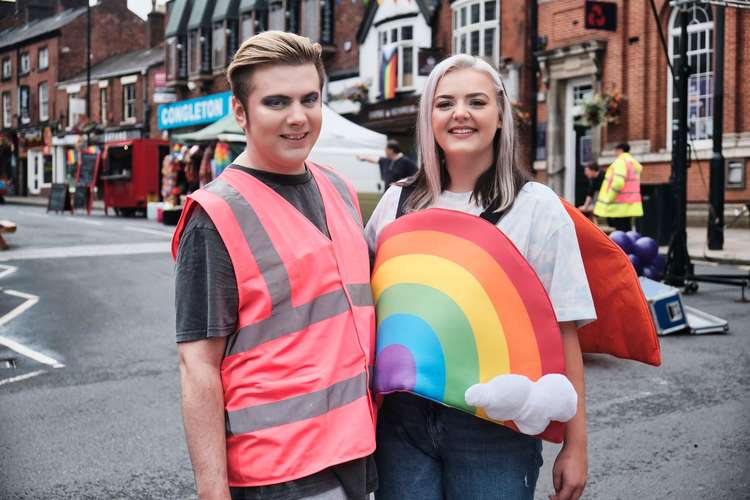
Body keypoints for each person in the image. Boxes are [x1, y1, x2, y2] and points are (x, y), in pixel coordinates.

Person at [364, 54, 595, 500]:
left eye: (476, 101)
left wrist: (576, 444)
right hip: (402, 422)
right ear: (429, 116)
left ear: (501, 117)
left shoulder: (538, 208)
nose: (460, 113)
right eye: (444, 102)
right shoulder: (395, 202)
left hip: (496, 426)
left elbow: (565, 331)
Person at [171, 31, 377, 500]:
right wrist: (212, 489)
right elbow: (197, 364)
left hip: (354, 452)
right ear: (240, 112)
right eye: (277, 102)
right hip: (276, 470)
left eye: (310, 98)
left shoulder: (339, 189)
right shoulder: (214, 216)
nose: (298, 117)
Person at [593, 143, 643, 231]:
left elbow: (618, 183)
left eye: (615, 151)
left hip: (619, 205)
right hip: (630, 203)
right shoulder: (632, 163)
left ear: (620, 150)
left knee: (620, 234)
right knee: (627, 231)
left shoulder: (620, 162)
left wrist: (609, 199)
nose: (614, 153)